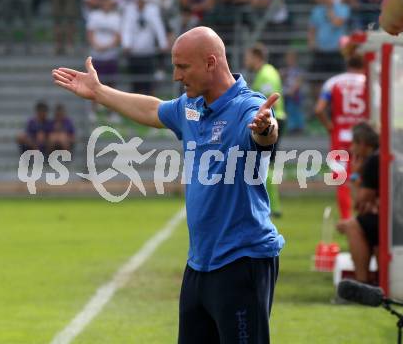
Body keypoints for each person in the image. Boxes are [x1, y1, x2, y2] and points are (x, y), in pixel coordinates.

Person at [53, 26, 284, 343]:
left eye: (183, 66)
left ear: (210, 62)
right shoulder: (192, 107)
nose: (176, 75)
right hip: (199, 265)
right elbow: (153, 109)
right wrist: (99, 92)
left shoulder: (246, 106)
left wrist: (265, 128)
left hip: (242, 262)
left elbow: (263, 132)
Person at [315, 53, 369, 220]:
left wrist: (330, 127)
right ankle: (364, 216)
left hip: (340, 136)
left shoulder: (333, 82)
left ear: (348, 64)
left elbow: (319, 109)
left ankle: (346, 218)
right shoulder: (369, 82)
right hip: (364, 138)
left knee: (341, 181)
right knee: (366, 178)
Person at [245, 42, 286, 218]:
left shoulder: (266, 74)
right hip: (273, 119)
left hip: (272, 120)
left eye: (248, 56)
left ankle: (272, 206)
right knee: (265, 163)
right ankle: (270, 205)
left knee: (265, 163)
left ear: (256, 57)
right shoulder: (266, 72)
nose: (246, 60)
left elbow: (270, 102)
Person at [336, 122, 379, 283]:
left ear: (362, 143)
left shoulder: (373, 162)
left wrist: (354, 176)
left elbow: (359, 203)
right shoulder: (380, 156)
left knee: (351, 226)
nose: (352, 149)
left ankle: (361, 283)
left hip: (393, 224)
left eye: (354, 143)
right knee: (359, 223)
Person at [121, 0, 168, 95]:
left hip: (148, 52)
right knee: (135, 82)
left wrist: (163, 43)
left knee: (149, 82)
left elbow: (158, 28)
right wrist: (126, 44)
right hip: (134, 52)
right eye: (138, 0)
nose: (139, 2)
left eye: (141, 0)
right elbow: (126, 28)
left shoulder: (152, 11)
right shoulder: (130, 11)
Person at [280, 50, 305, 134]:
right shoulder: (285, 70)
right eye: (288, 58)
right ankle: (292, 127)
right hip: (287, 94)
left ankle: (299, 127)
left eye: (291, 58)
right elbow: (281, 80)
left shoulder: (298, 70)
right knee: (289, 110)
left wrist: (293, 90)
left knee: (296, 110)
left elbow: (299, 81)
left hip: (295, 94)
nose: (289, 60)